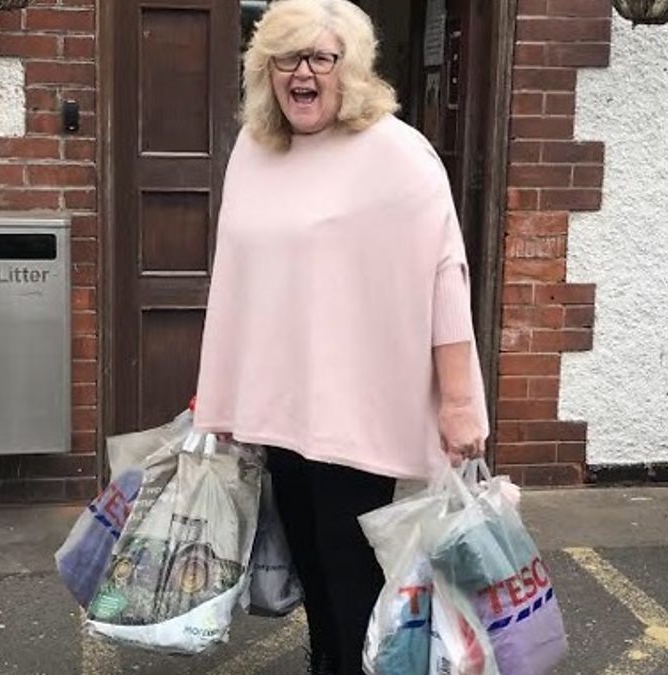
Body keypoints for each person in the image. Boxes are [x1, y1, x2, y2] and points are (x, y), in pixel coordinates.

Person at [193, 1, 490, 673]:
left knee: (348, 560)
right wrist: (222, 387)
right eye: (286, 58)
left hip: (358, 400)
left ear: (349, 68)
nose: (302, 73)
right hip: (281, 401)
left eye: (320, 58)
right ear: (264, 70)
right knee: (306, 554)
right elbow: (240, 275)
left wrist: (458, 399)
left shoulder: (395, 153)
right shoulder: (256, 150)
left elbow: (443, 272)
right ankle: (327, 658)